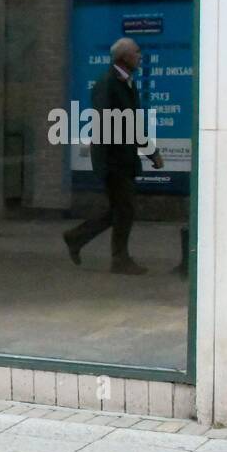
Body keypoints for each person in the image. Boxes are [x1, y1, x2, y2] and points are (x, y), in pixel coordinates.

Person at [63, 37, 164, 274]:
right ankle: (119, 259)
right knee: (124, 208)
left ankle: (76, 238)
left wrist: (148, 151)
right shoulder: (109, 83)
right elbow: (110, 124)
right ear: (124, 57)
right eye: (137, 52)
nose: (140, 56)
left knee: (119, 209)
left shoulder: (125, 82)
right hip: (113, 159)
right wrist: (150, 152)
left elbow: (132, 123)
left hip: (121, 158)